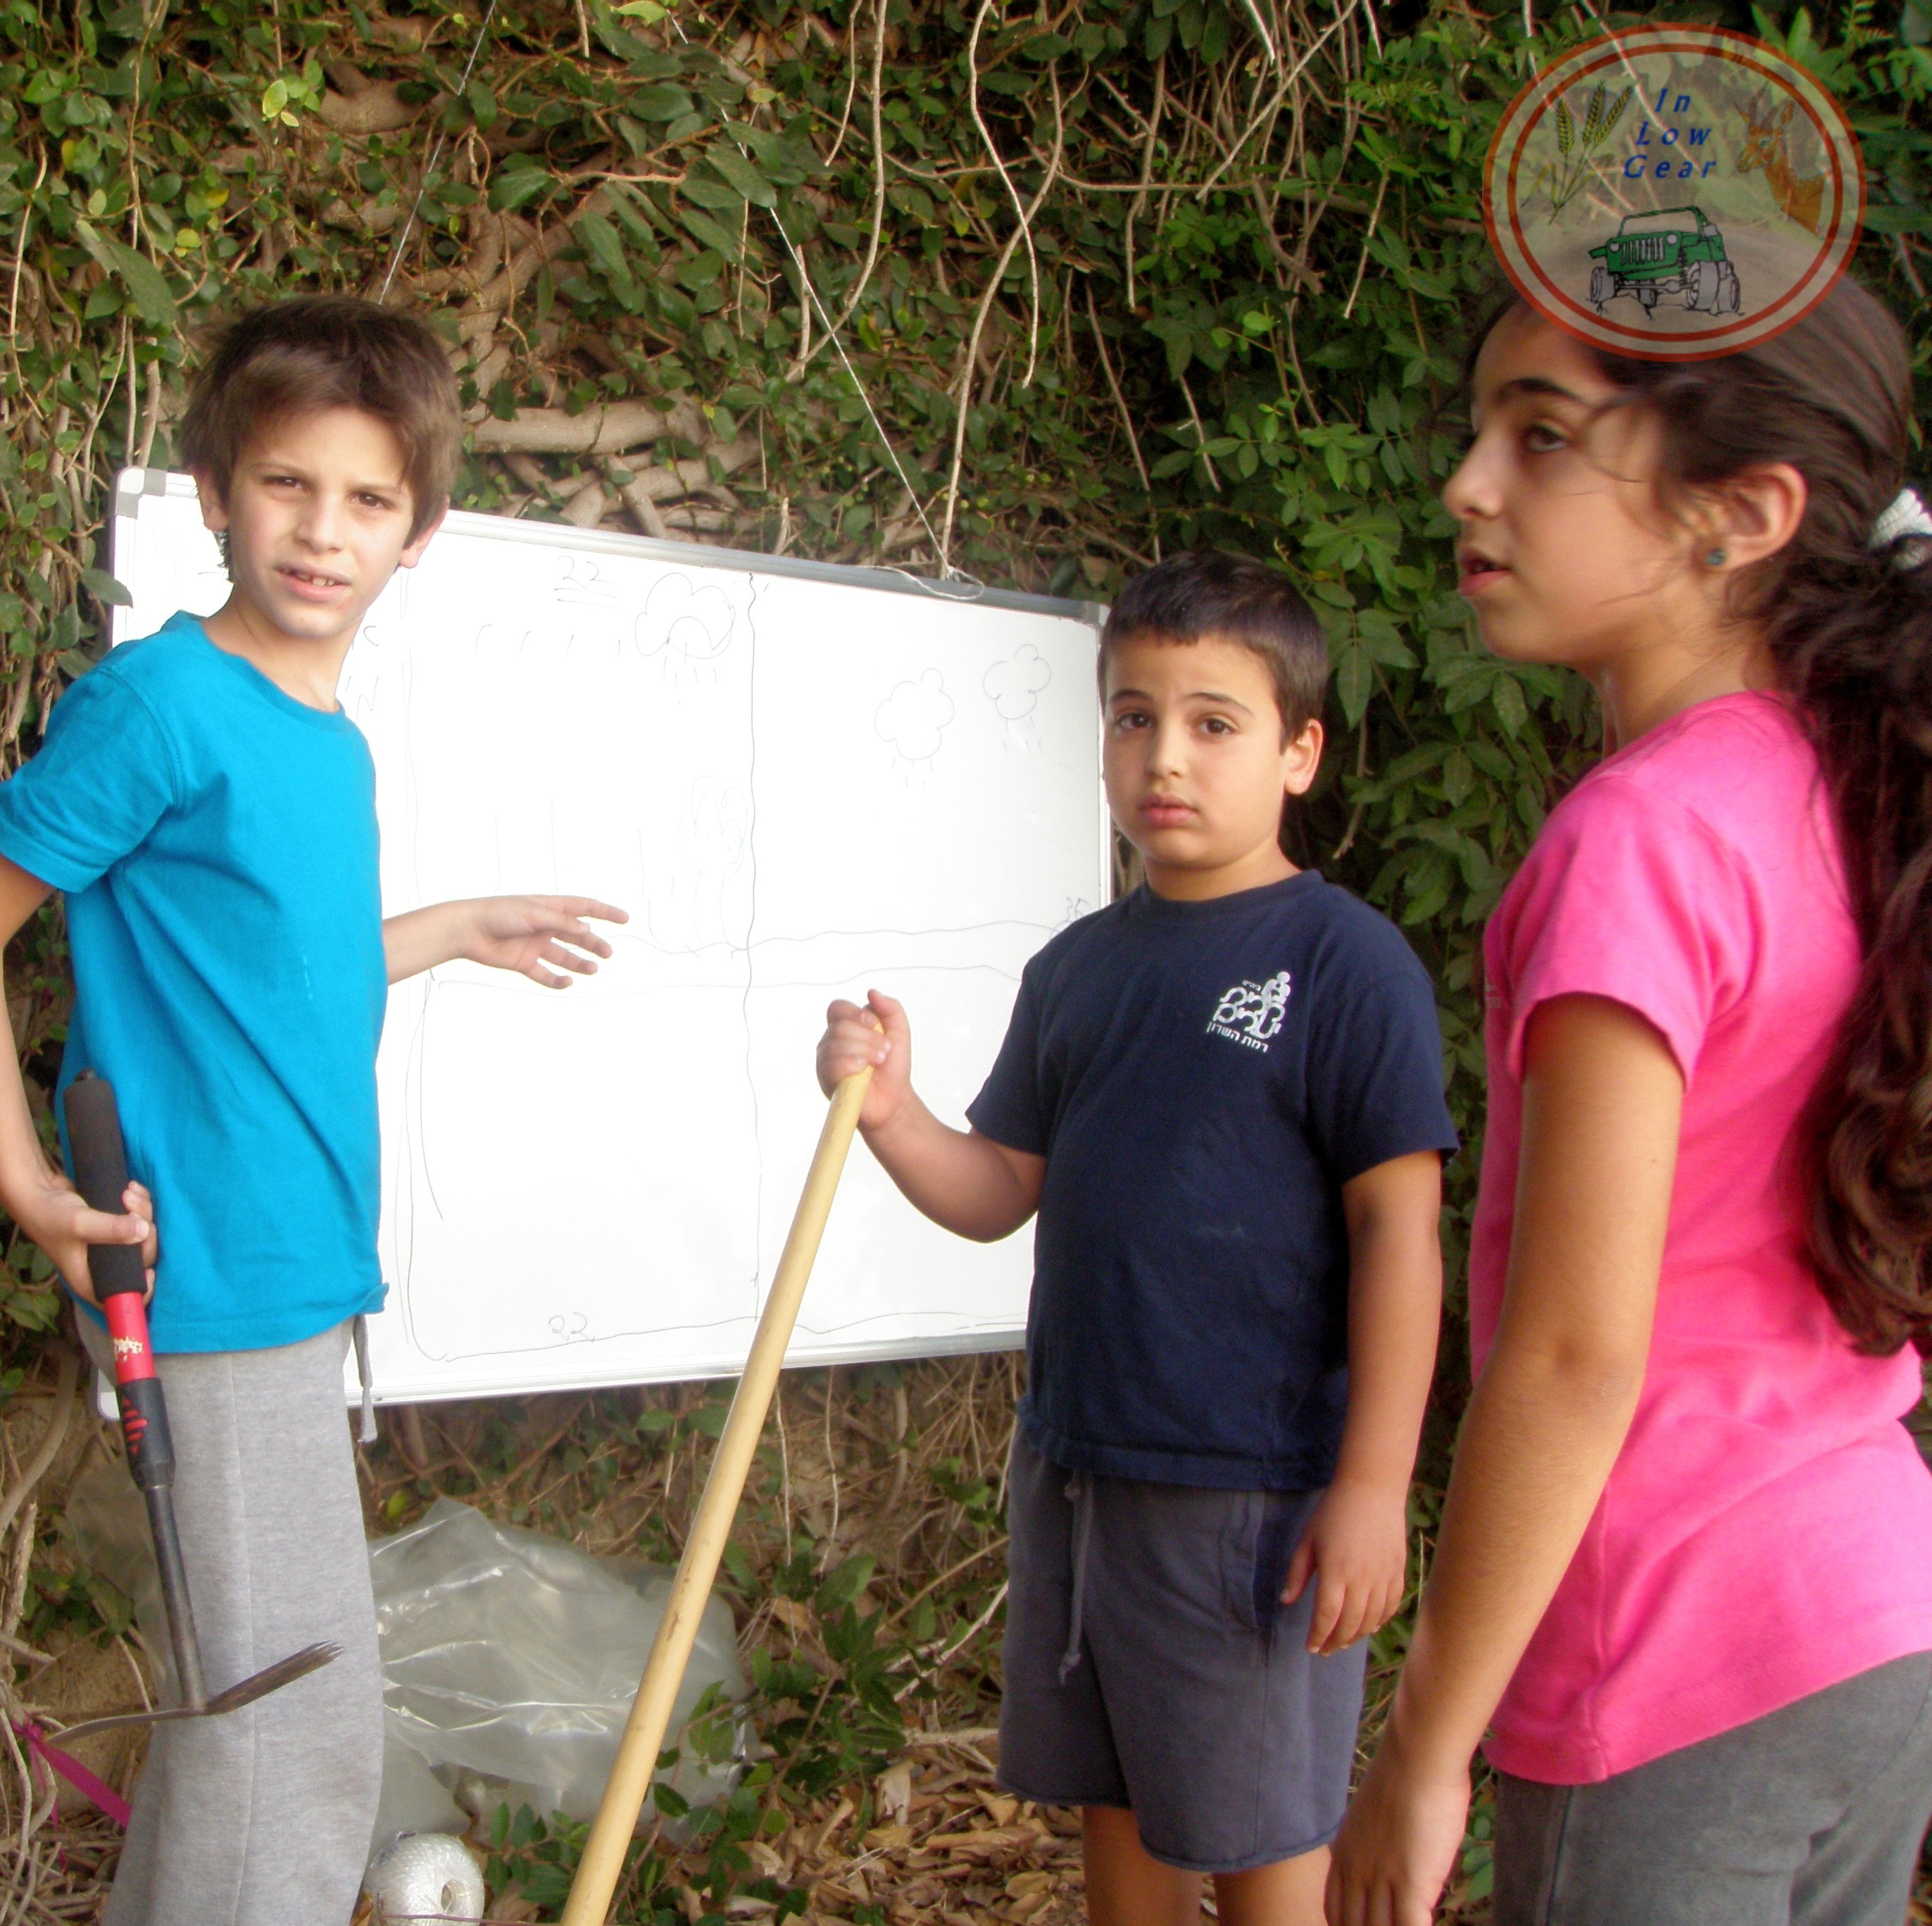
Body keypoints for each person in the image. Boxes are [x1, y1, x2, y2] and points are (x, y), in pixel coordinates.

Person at [0, 296, 625, 1926]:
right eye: (288, 485)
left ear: (420, 532)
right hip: (202, 1272)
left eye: (368, 500)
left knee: (242, 1712)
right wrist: (31, 1190)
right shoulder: (163, 705)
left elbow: (276, 980)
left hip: (296, 1271)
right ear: (216, 488)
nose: (323, 531)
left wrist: (450, 933)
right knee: (295, 1730)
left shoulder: (328, 737)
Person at [1327, 280, 1932, 1926]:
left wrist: (1430, 1745)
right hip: (1876, 1609)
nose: (1469, 481)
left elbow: (1579, 1354)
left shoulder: (1642, 839)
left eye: (1541, 439)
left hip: (1667, 1645)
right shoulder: (1852, 792)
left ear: (1741, 515)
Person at [816, 551, 1457, 1926]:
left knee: (1263, 1826)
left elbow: (1402, 1225)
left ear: (1300, 752)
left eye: (1214, 722)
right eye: (1131, 715)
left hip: (1253, 1495)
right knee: (1120, 1802)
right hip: (1079, 1469)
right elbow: (1001, 1187)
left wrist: (1372, 1486)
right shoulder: (1081, 971)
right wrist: (895, 1115)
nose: (1166, 754)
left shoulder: (1344, 966)